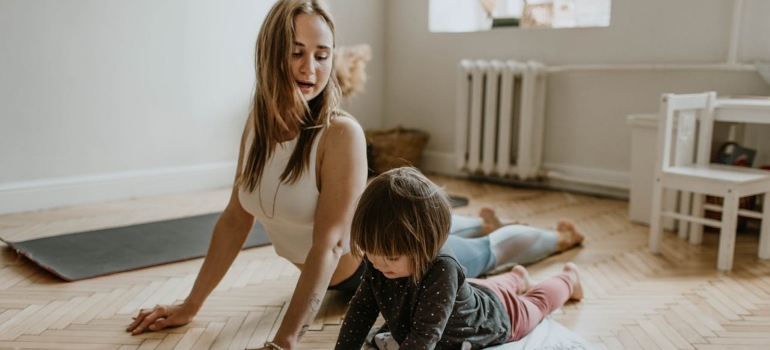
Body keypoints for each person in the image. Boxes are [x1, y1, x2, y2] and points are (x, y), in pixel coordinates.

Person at [126, 1, 582, 348]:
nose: (311, 68)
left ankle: (556, 241)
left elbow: (329, 245)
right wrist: (190, 305)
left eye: (322, 55)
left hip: (382, 266)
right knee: (475, 256)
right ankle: (480, 225)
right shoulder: (257, 126)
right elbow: (233, 220)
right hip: (373, 258)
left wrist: (284, 341)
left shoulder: (340, 134)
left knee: (483, 253)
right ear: (270, 55)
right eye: (297, 52)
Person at [335, 167, 584, 349]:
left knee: (536, 305)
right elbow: (362, 309)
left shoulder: (442, 268)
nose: (377, 263)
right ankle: (517, 277)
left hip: (493, 317)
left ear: (427, 245)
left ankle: (569, 279)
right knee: (488, 289)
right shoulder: (380, 261)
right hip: (471, 294)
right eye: (370, 251)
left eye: (390, 256)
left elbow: (424, 335)